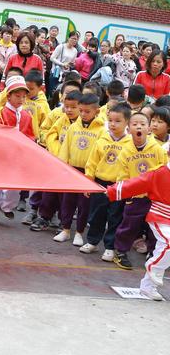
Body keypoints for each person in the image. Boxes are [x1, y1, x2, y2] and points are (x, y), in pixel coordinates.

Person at [107, 147, 170, 301]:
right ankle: (153, 267)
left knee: (165, 248)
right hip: (160, 216)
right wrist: (112, 191)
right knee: (168, 243)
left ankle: (148, 287)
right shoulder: (159, 173)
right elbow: (135, 184)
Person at [112, 112, 168, 270]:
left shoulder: (157, 149)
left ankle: (153, 253)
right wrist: (127, 192)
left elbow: (165, 170)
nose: (139, 127)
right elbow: (122, 176)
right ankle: (121, 252)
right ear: (129, 129)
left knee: (154, 228)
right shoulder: (125, 151)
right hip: (135, 197)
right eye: (135, 124)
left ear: (149, 128)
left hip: (155, 197)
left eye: (143, 124)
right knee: (129, 225)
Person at [79, 102, 132, 261]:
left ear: (127, 123)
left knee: (115, 217)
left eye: (118, 121)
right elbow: (92, 163)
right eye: (111, 120)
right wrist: (89, 182)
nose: (113, 124)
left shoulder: (130, 144)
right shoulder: (102, 139)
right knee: (96, 214)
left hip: (119, 187)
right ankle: (93, 241)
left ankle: (110, 247)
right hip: (100, 183)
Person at [0, 76, 34, 226]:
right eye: (17, 96)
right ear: (8, 96)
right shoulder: (0, 114)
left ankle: (7, 206)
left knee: (14, 185)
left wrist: (27, 148)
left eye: (23, 97)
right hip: (0, 156)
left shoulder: (26, 116)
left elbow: (30, 135)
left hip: (17, 157)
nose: (20, 99)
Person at [29, 90, 82, 231]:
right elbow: (51, 134)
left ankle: (63, 222)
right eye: (67, 106)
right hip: (57, 161)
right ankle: (44, 217)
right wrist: (58, 151)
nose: (69, 110)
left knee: (66, 197)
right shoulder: (61, 119)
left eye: (73, 107)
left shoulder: (82, 124)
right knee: (49, 191)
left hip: (72, 165)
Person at [56, 93, 105, 245]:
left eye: (87, 111)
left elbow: (99, 154)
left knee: (84, 205)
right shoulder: (73, 128)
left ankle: (79, 232)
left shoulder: (102, 131)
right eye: (81, 110)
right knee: (67, 201)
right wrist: (63, 167)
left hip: (88, 173)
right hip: (72, 170)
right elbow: (65, 149)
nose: (83, 114)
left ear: (96, 111)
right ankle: (65, 230)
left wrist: (93, 173)